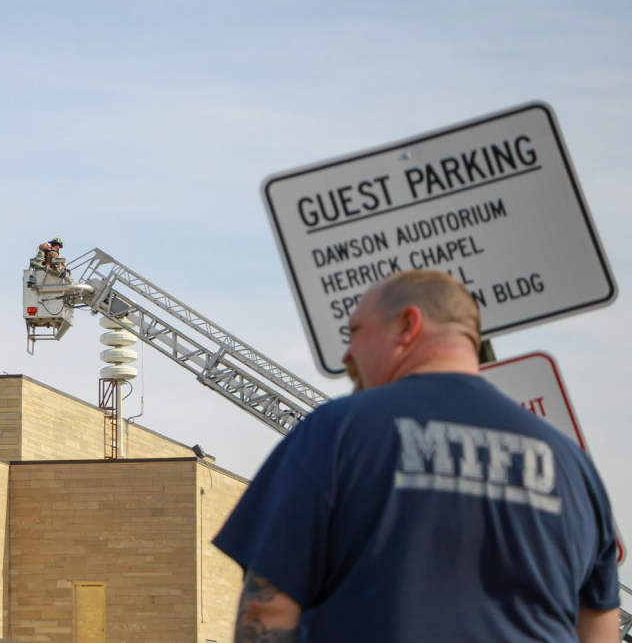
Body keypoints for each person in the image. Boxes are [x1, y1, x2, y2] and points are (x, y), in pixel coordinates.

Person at [213, 269, 620, 642]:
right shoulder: (573, 466)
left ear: (408, 325)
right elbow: (599, 628)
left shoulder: (335, 432)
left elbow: (267, 608)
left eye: (355, 331)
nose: (346, 355)